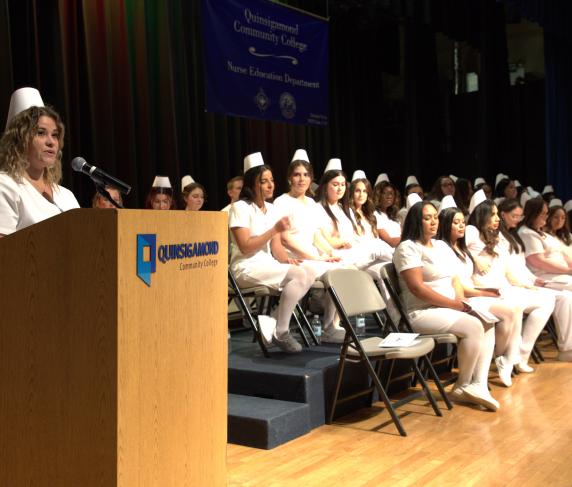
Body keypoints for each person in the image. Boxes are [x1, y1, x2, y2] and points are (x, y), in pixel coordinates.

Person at [393, 199, 499, 411]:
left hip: (445, 307)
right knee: (473, 326)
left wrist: (461, 301)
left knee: (488, 320)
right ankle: (462, 385)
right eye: (427, 218)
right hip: (420, 312)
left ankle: (477, 384)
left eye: (435, 217)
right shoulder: (407, 248)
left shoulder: (440, 245)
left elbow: (454, 279)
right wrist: (454, 304)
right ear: (416, 221)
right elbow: (417, 289)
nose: (433, 222)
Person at [229, 152, 317, 353]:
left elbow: (276, 248)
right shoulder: (241, 208)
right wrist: (274, 230)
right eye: (264, 181)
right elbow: (245, 247)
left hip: (267, 264)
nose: (270, 185)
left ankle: (275, 326)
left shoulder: (271, 209)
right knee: (300, 275)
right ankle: (281, 332)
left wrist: (287, 260)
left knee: (308, 270)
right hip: (246, 267)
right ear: (252, 184)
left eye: (272, 180)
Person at [466, 193, 555, 378]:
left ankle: (513, 356)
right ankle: (504, 356)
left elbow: (506, 268)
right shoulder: (472, 231)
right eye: (493, 214)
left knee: (542, 301)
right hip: (483, 288)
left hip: (502, 286)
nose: (497, 219)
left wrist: (524, 283)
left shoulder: (494, 236)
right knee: (515, 307)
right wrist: (474, 259)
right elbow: (457, 249)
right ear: (482, 214)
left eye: (498, 214)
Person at [273, 152, 345, 343]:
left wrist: (329, 252)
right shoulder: (282, 202)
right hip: (293, 258)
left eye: (306, 174)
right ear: (289, 178)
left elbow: (316, 235)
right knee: (315, 271)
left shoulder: (312, 203)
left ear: (311, 178)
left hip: (313, 256)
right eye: (297, 174)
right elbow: (286, 239)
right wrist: (315, 257)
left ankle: (331, 326)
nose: (302, 179)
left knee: (341, 269)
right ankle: (278, 323)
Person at [0, 100, 79, 237]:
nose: (51, 142)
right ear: (20, 140)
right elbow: (5, 251)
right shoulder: (5, 186)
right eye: (41, 133)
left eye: (55, 135)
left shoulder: (66, 195)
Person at [517, 197, 572, 361]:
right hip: (544, 278)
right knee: (568, 295)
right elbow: (538, 261)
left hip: (560, 275)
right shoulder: (526, 233)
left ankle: (567, 347)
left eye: (547, 214)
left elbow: (563, 254)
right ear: (533, 214)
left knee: (567, 298)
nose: (546, 217)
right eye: (543, 214)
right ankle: (567, 349)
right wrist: (569, 270)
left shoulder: (544, 234)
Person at [373, 180, 401, 247]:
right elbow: (390, 241)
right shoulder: (375, 215)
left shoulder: (394, 217)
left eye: (392, 193)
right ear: (378, 195)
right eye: (385, 193)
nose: (389, 196)